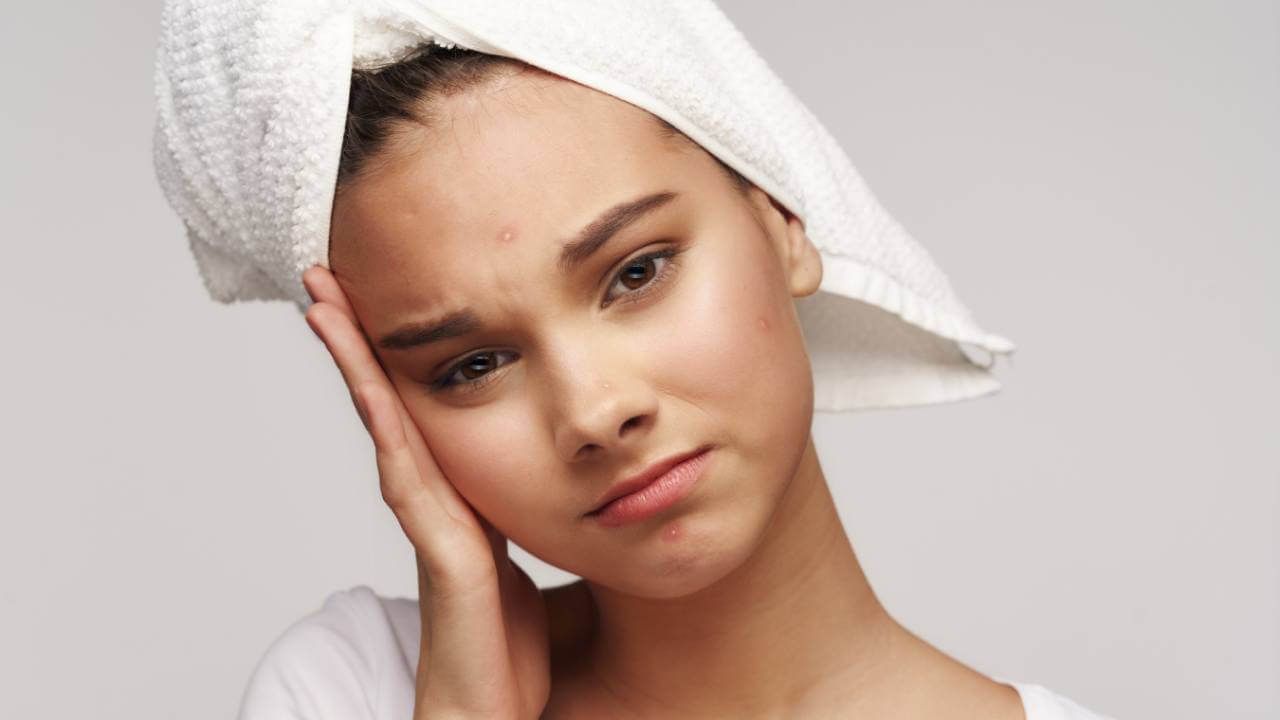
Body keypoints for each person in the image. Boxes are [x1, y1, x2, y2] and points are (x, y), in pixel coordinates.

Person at [220, 44, 1116, 719]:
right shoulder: (355, 689)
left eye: (636, 272)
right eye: (473, 366)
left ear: (779, 217)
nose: (596, 413)